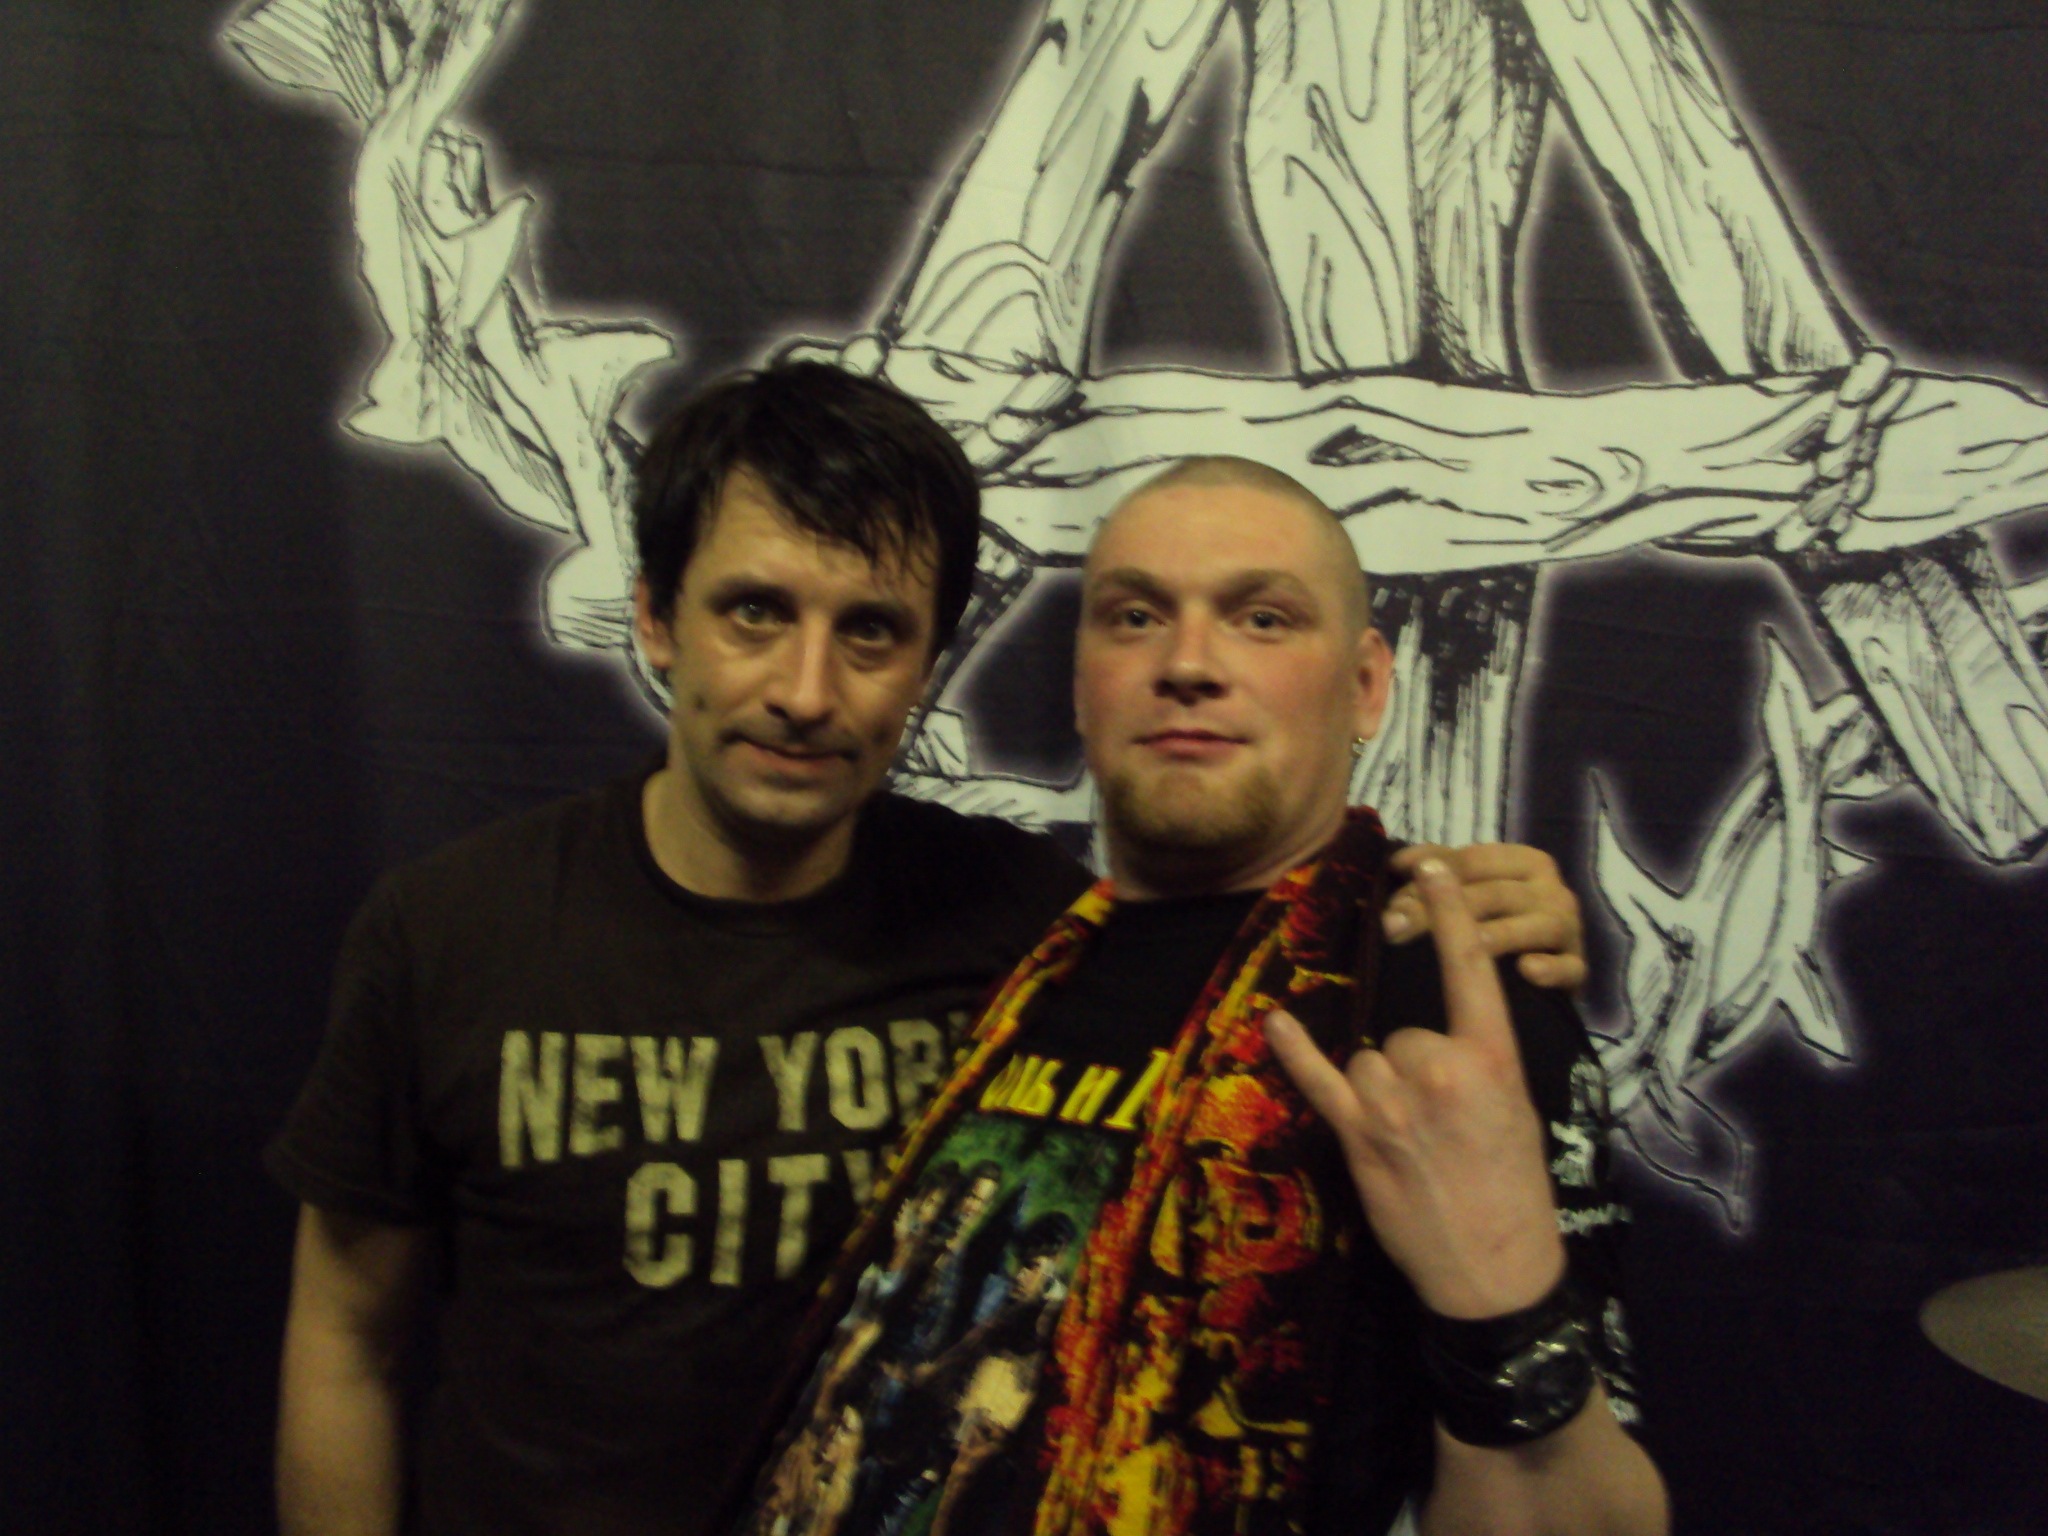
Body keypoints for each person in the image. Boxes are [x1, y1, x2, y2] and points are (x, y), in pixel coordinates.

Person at [268, 365, 1593, 1536]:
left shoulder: (1031, 925)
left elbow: (1268, 906)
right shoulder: (452, 930)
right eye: (752, 612)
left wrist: (1462, 906)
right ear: (657, 620)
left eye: (870, 632)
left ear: (927, 665)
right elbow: (344, 1340)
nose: (804, 691)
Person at [730, 455, 1666, 1536]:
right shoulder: (1017, 947)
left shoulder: (1435, 984)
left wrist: (1499, 1300)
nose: (1186, 664)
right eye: (1134, 617)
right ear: (1081, 683)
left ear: (1365, 686)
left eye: (1261, 619)